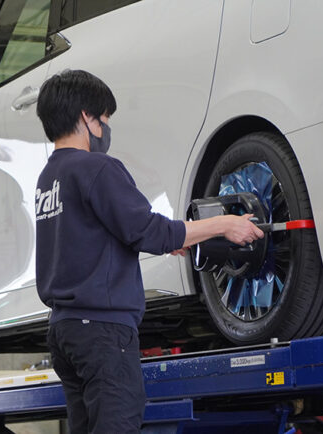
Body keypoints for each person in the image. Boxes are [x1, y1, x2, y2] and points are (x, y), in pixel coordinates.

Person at [34, 69, 263, 434]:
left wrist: (179, 239)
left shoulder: (49, 178)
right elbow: (149, 231)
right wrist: (224, 224)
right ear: (86, 117)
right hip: (102, 331)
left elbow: (93, 237)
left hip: (65, 331)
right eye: (105, 119)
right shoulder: (97, 167)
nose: (106, 129)